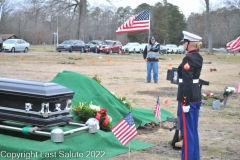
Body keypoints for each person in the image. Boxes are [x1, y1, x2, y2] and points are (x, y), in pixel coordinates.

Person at [176, 31, 203, 160]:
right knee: (193, 131)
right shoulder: (198, 57)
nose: (183, 44)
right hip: (196, 96)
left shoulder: (188, 59)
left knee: (187, 134)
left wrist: (185, 102)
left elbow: (187, 82)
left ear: (189, 44)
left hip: (188, 98)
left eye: (184, 42)